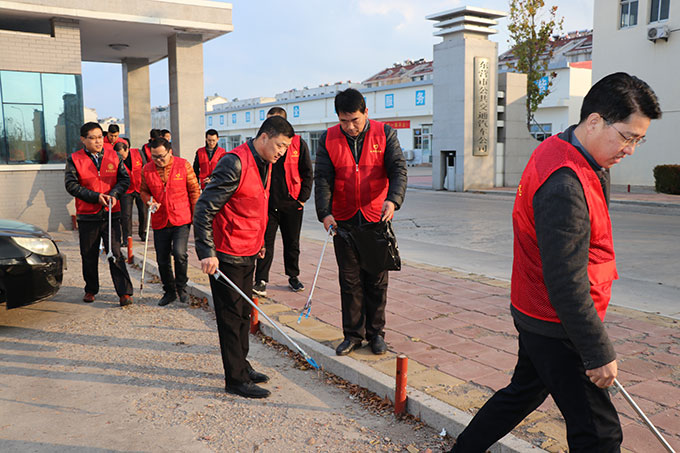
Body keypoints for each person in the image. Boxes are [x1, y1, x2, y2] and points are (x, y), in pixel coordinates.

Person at [447, 73, 662, 453]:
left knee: (523, 393)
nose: (630, 150)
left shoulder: (561, 148)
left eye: (638, 140)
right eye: (627, 137)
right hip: (557, 323)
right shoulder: (565, 184)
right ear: (594, 121)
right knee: (599, 434)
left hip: (535, 308)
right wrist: (597, 351)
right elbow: (565, 280)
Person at [193, 115, 294, 399]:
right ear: (264, 137)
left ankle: (242, 365)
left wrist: (259, 241)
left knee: (243, 315)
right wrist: (207, 252)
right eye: (280, 145)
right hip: (227, 254)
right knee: (230, 317)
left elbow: (254, 204)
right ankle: (235, 379)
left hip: (249, 250)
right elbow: (204, 209)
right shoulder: (234, 163)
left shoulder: (266, 162)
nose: (282, 152)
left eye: (286, 148)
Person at [314, 88, 407, 356]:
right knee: (349, 281)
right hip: (343, 220)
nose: (350, 127)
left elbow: (398, 170)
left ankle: (376, 333)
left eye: (355, 120)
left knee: (376, 281)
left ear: (366, 112)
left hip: (376, 217)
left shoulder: (384, 133)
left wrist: (393, 200)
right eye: (344, 121)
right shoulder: (328, 138)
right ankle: (353, 335)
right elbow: (323, 178)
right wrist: (325, 212)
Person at [65, 122, 134, 306]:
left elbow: (124, 179)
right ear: (83, 139)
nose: (98, 141)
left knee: (115, 252)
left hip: (111, 213)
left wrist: (114, 194)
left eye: (99, 137)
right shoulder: (74, 159)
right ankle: (91, 289)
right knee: (88, 254)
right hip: (87, 214)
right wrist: (96, 197)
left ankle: (124, 292)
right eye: (92, 138)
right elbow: (71, 185)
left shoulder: (113, 155)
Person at [253, 107, 313, 297]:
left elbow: (307, 172)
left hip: (291, 204)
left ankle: (293, 276)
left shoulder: (298, 144)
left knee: (292, 243)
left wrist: (301, 199)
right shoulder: (262, 146)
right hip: (268, 204)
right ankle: (261, 280)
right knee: (265, 243)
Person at [140, 137, 200, 306]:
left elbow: (194, 190)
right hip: (160, 218)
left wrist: (197, 217)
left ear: (170, 152)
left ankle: (182, 287)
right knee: (162, 258)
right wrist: (150, 201)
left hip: (181, 217)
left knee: (180, 253)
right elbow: (143, 191)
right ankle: (169, 291)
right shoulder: (147, 169)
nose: (158, 160)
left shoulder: (183, 165)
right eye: (154, 157)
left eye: (161, 156)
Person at [113, 141, 148, 244]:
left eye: (122, 154)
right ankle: (127, 238)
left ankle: (143, 233)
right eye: (118, 155)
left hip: (140, 187)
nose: (121, 157)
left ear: (127, 149)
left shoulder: (138, 153)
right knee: (126, 215)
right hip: (126, 190)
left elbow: (145, 168)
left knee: (143, 212)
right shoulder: (116, 160)